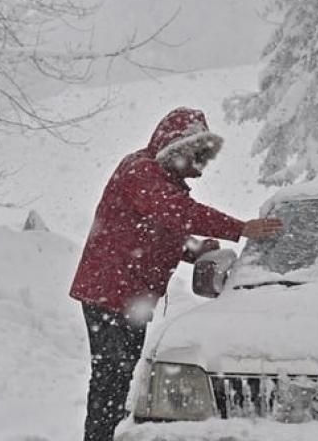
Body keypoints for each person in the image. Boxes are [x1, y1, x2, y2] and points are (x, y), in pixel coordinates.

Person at [69, 107, 283, 441]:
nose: (199, 164)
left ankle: (105, 434)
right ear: (175, 149)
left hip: (127, 294)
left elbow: (168, 232)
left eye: (202, 157)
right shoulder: (140, 172)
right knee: (112, 379)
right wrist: (241, 228)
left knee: (119, 379)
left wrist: (204, 251)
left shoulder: (162, 184)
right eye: (194, 154)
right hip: (110, 292)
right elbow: (177, 213)